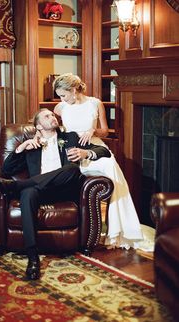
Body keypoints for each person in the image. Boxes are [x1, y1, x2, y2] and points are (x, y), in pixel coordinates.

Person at [0, 108, 111, 280]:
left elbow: (105, 152)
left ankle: (17, 186)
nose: (53, 117)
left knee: (72, 169)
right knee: (28, 194)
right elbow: (5, 170)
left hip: (64, 190)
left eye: (53, 114)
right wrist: (21, 148)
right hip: (39, 191)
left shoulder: (71, 137)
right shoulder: (31, 144)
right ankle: (33, 257)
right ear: (38, 126)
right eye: (47, 116)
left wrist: (86, 152)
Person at [53, 73, 154, 252]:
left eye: (64, 95)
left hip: (96, 149)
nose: (61, 99)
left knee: (113, 171)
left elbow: (105, 132)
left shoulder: (95, 103)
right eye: (60, 96)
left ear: (74, 90)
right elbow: (58, 132)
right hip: (74, 153)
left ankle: (118, 232)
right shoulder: (60, 108)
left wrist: (92, 130)